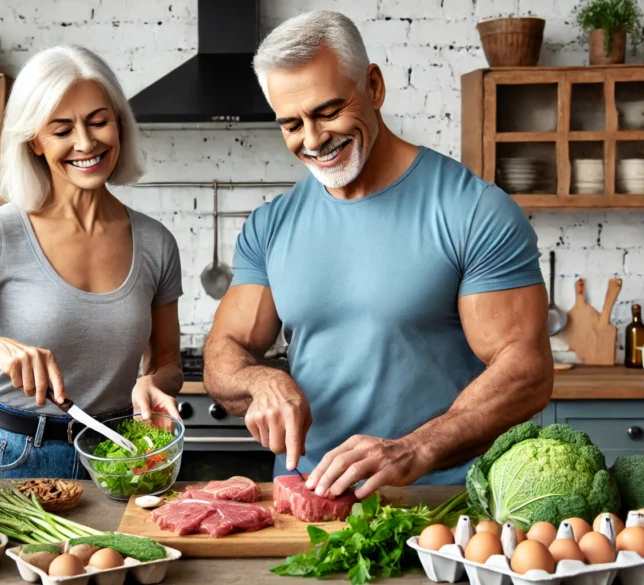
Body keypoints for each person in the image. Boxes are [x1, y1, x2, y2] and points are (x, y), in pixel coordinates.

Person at [203, 11, 554, 498]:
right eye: (291, 124)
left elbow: (526, 372)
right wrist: (260, 379)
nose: (312, 139)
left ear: (374, 86)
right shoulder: (272, 224)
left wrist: (415, 448)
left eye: (327, 111)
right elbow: (224, 353)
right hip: (311, 494)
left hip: (440, 501)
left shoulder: (473, 210)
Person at [0, 45, 184, 479]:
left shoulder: (156, 242)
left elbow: (167, 362)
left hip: (117, 458)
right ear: (34, 142)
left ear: (119, 124)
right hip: (12, 456)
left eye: (99, 121)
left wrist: (152, 383)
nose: (86, 142)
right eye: (62, 130)